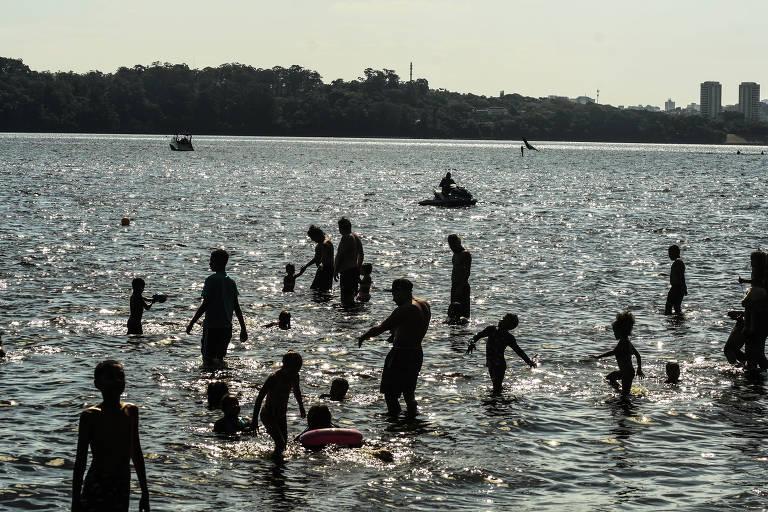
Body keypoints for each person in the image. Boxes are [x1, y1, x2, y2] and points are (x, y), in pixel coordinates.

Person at [72, 360, 149, 512]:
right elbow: (80, 461)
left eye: (121, 376)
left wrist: (145, 492)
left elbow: (136, 453)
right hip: (97, 484)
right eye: (111, 377)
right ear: (97, 384)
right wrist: (75, 500)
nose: (117, 381)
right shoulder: (90, 416)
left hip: (121, 485)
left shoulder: (131, 411)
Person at [358, 279, 431, 417]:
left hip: (401, 354)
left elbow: (380, 328)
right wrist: (397, 333)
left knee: (390, 394)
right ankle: (411, 420)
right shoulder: (424, 304)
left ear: (402, 291)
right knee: (409, 392)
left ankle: (394, 422)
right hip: (416, 353)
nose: (393, 299)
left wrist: (363, 337)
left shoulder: (405, 309)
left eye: (394, 294)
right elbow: (411, 327)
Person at [186, 249, 248, 366]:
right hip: (226, 327)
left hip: (212, 326)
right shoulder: (231, 282)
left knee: (207, 359)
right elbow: (237, 308)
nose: (209, 263)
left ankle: (210, 381)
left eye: (211, 261)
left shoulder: (210, 280)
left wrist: (192, 322)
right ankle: (222, 380)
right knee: (219, 359)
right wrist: (243, 329)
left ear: (218, 262)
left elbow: (205, 304)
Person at [251, 351, 306, 457]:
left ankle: (277, 466)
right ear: (284, 366)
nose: (294, 373)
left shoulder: (295, 376)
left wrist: (301, 407)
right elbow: (259, 399)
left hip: (281, 415)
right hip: (268, 414)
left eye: (297, 370)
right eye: (292, 370)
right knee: (280, 444)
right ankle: (273, 466)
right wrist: (254, 420)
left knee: (283, 445)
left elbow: (297, 391)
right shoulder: (274, 378)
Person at [467, 314, 536, 394]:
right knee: (496, 387)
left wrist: (528, 361)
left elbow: (519, 351)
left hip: (499, 365)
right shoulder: (491, 329)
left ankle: (499, 402)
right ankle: (500, 402)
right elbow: (476, 336)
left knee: (496, 388)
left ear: (509, 325)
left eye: (504, 320)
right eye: (502, 318)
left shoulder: (508, 337)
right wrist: (471, 343)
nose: (501, 320)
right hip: (491, 363)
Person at [592, 311, 644, 397]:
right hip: (625, 372)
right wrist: (639, 369)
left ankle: (627, 398)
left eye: (615, 331)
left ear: (621, 331)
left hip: (627, 373)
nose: (614, 333)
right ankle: (620, 392)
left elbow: (613, 352)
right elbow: (638, 355)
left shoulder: (624, 342)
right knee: (609, 378)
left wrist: (599, 356)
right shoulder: (626, 341)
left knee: (625, 395)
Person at [742, 251, 768, 370]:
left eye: (752, 260)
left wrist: (745, 282)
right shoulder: (759, 271)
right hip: (758, 301)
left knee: (757, 352)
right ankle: (759, 371)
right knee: (758, 352)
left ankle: (757, 370)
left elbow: (758, 284)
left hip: (759, 299)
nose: (751, 262)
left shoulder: (761, 272)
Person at [334, 217, 364, 306]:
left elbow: (340, 255)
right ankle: (352, 317)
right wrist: (357, 268)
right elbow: (361, 254)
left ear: (341, 228)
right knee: (352, 296)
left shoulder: (346, 237)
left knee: (345, 298)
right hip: (354, 270)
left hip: (346, 271)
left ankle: (346, 318)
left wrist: (335, 270)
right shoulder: (355, 236)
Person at [301, 225, 334, 292]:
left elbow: (324, 258)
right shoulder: (321, 242)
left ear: (317, 235)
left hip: (326, 270)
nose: (312, 240)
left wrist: (321, 264)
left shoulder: (325, 243)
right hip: (322, 269)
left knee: (321, 290)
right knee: (317, 290)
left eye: (312, 238)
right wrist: (306, 266)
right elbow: (316, 258)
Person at [448, 234, 472, 319]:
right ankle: (455, 331)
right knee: (453, 313)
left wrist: (460, 287)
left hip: (462, 286)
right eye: (450, 244)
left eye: (453, 244)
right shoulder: (455, 255)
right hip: (454, 285)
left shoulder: (465, 254)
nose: (451, 247)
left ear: (458, 242)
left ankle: (463, 331)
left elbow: (466, 273)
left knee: (463, 313)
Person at [664, 245, 687, 315]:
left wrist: (683, 287)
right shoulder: (678, 262)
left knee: (669, 305)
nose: (669, 255)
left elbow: (681, 276)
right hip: (677, 287)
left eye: (670, 253)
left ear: (676, 253)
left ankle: (671, 319)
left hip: (677, 287)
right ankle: (677, 319)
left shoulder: (678, 263)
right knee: (676, 306)